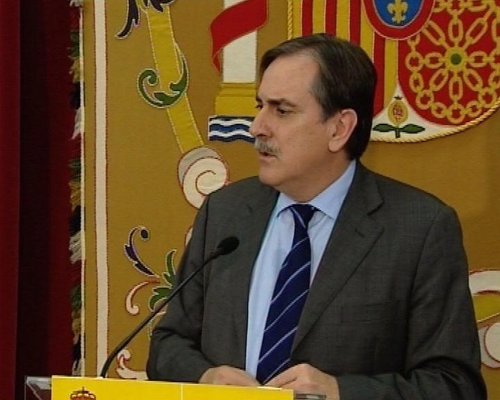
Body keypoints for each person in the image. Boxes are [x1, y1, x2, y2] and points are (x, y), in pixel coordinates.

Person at [147, 34, 486, 400]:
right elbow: (169, 343)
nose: (257, 127)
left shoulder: (419, 229)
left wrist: (340, 392)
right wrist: (204, 377)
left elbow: (454, 385)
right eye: (260, 106)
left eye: (281, 110)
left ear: (339, 128)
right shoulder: (225, 213)